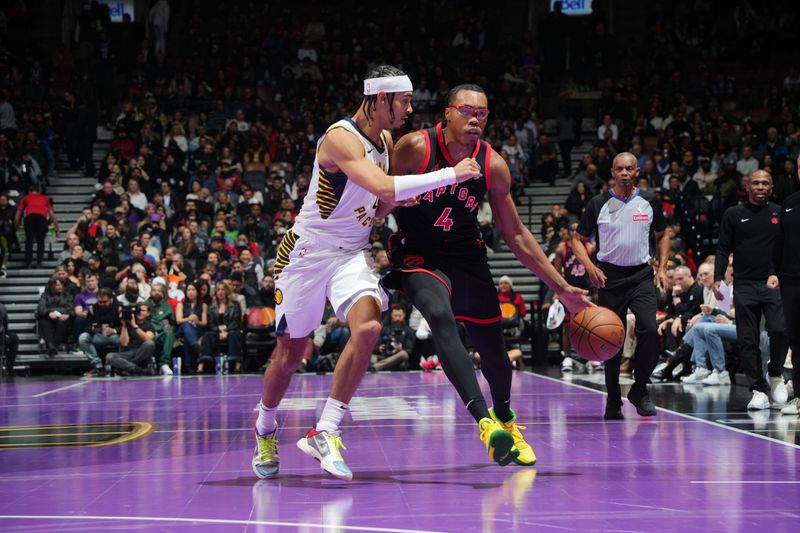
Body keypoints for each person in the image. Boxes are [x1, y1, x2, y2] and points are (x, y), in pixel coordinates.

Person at [252, 66, 482, 481]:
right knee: (290, 355)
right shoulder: (340, 138)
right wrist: (452, 173)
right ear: (380, 100)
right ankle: (265, 428)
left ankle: (325, 429)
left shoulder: (385, 140)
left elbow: (380, 202)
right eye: (404, 101)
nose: (410, 110)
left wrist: (396, 206)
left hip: (351, 254)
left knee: (369, 326)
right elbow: (385, 185)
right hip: (308, 254)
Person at [385, 83, 589, 467]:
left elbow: (515, 235)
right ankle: (484, 422)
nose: (475, 118)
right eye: (466, 110)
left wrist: (560, 287)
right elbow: (379, 195)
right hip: (418, 253)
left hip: (466, 256)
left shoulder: (492, 163)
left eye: (482, 112)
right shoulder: (414, 146)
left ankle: (505, 418)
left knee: (494, 351)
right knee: (440, 316)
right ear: (447, 112)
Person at [571, 152, 670, 420]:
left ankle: (639, 388)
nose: (624, 173)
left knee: (650, 329)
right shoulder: (598, 202)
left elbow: (662, 235)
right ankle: (613, 397)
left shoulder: (649, 200)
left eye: (629, 169)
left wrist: (661, 267)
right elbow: (577, 239)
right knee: (610, 339)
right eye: (619, 169)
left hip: (640, 275)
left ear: (637, 171)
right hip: (609, 277)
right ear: (612, 173)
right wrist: (591, 267)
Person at [714, 170, 789, 410]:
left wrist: (780, 273)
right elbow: (723, 248)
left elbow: (789, 248)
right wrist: (718, 278)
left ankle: (775, 373)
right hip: (744, 284)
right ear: (747, 186)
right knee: (748, 340)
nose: (760, 186)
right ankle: (758, 389)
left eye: (765, 183)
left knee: (779, 329)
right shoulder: (733, 214)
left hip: (773, 282)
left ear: (771, 187)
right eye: (755, 182)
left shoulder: (780, 212)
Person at [774, 155, 800, 414]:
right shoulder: (790, 203)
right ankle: (799, 397)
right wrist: (775, 272)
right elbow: (779, 243)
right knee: (796, 339)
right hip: (791, 280)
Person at [79, 288, 121, 377]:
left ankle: (119, 366)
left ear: (111, 299)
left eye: (104, 302)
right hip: (98, 336)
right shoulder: (93, 308)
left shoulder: (119, 307)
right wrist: (92, 329)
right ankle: (98, 366)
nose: (102, 304)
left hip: (114, 336)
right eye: (99, 302)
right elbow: (86, 326)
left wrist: (114, 330)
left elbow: (126, 327)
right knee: (83, 337)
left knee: (122, 340)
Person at [15, 184, 59, 268]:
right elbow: (52, 214)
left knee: (29, 241)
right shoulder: (44, 198)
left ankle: (29, 263)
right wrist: (57, 229)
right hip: (41, 219)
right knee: (40, 241)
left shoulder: (26, 197)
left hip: (29, 218)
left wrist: (15, 226)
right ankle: (39, 262)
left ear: (29, 191)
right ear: (39, 192)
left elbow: (18, 213)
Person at [106, 303, 156, 376]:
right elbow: (124, 343)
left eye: (143, 310)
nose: (140, 312)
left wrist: (134, 326)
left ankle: (130, 367)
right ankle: (137, 369)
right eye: (138, 310)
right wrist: (124, 325)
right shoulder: (127, 325)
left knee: (150, 343)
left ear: (148, 313)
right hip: (128, 353)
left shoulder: (149, 326)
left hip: (142, 353)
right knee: (110, 357)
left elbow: (147, 339)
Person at [36, 278, 74, 356]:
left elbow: (71, 308)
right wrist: (48, 313)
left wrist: (68, 314)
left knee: (62, 323)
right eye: (57, 285)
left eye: (61, 285)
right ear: (51, 286)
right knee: (43, 322)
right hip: (49, 318)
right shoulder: (45, 295)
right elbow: (41, 309)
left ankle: (53, 347)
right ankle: (51, 346)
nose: (60, 287)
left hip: (62, 317)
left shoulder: (66, 295)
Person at [1, 303, 19, 376]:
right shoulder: (1, 307)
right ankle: (10, 367)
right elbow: (5, 325)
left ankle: (10, 366)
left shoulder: (1, 307)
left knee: (14, 338)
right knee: (14, 338)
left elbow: (5, 325)